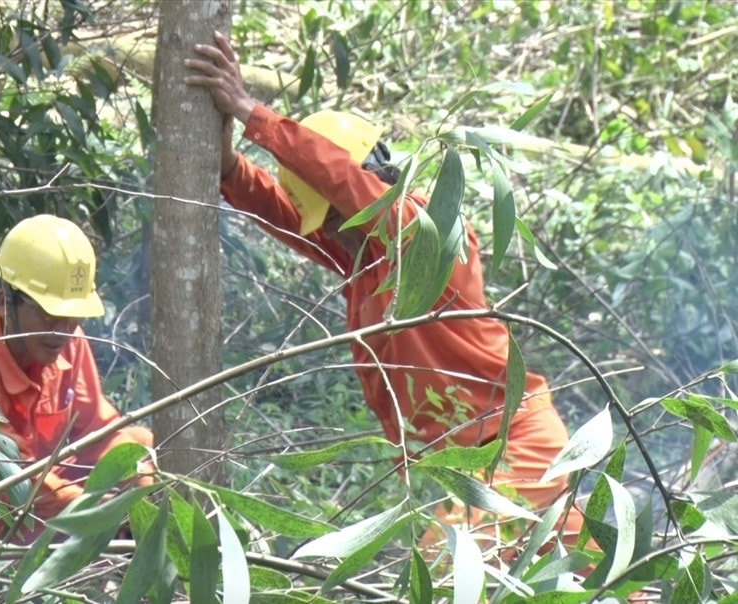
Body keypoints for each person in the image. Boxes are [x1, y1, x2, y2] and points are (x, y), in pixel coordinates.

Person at [185, 33, 587, 547]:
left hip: (514, 445)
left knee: (449, 573)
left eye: (331, 218)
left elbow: (343, 183)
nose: (326, 235)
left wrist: (250, 111)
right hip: (463, 468)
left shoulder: (428, 234)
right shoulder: (365, 259)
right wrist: (229, 168)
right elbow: (291, 219)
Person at [0, 214, 154, 547]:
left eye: (72, 317)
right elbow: (9, 479)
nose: (62, 331)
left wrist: (138, 492)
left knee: (138, 443)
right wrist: (96, 512)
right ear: (6, 304)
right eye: (49, 314)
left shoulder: (68, 342)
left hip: (45, 508)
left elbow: (101, 434)